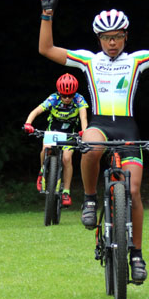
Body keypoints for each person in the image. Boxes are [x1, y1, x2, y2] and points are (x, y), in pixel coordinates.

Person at [37, 0, 149, 282]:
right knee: (90, 146)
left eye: (117, 37)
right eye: (106, 38)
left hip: (128, 127)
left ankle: (137, 254)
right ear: (99, 39)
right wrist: (47, 13)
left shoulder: (136, 60)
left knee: (133, 191)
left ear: (125, 36)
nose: (112, 43)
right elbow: (46, 49)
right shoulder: (90, 60)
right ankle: (90, 199)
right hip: (100, 124)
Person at [23, 73, 89, 206]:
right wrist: (28, 123)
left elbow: (83, 118)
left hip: (70, 133)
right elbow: (36, 111)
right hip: (53, 130)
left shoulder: (79, 100)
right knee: (45, 149)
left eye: (70, 95)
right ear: (59, 92)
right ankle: (42, 171)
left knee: (66, 158)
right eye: (63, 95)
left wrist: (84, 132)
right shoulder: (53, 98)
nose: (66, 98)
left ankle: (66, 192)